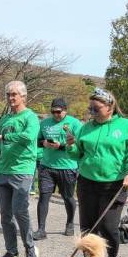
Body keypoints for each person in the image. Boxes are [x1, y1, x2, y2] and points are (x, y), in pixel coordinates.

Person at [65, 87, 128, 257]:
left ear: (110, 107)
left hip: (114, 183)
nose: (91, 112)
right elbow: (77, 155)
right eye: (90, 108)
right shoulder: (86, 127)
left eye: (96, 108)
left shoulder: (126, 126)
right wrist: (70, 146)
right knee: (87, 229)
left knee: (109, 228)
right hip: (87, 182)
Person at [0, 81, 41, 257]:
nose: (11, 97)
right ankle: (11, 252)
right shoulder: (5, 120)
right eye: (8, 94)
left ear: (24, 96)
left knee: (20, 211)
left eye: (14, 94)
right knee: (6, 215)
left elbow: (28, 137)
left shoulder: (30, 117)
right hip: (3, 172)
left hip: (22, 171)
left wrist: (4, 137)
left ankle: (30, 249)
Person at [34, 97, 82, 240]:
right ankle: (41, 230)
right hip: (46, 166)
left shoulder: (74, 123)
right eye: (53, 111)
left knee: (67, 197)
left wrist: (60, 146)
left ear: (65, 110)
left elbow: (80, 143)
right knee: (43, 196)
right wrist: (44, 143)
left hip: (67, 167)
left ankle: (69, 223)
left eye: (58, 112)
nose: (55, 114)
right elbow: (36, 141)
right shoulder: (44, 123)